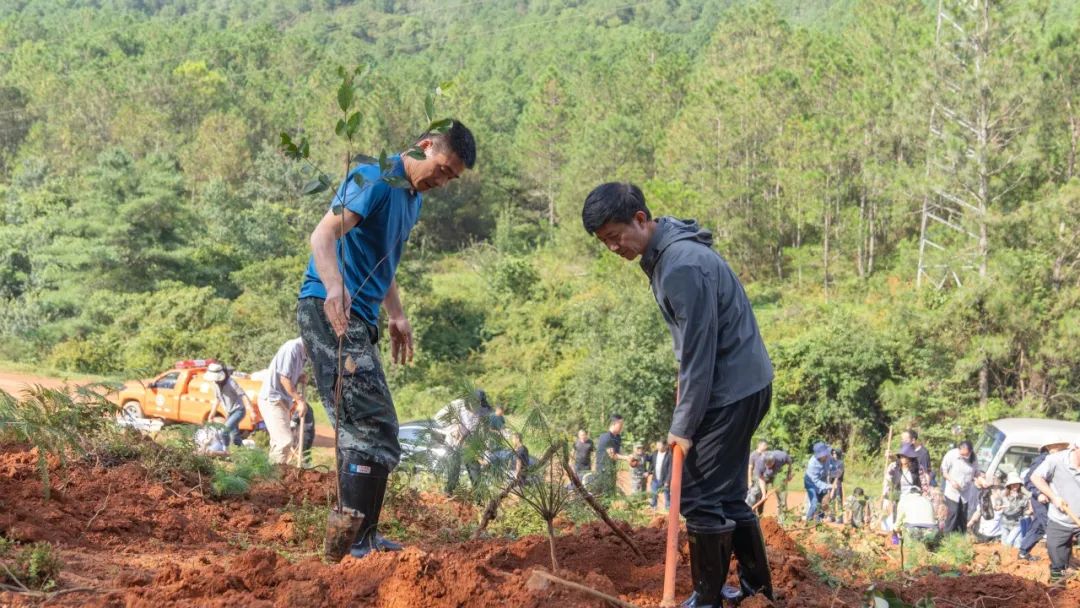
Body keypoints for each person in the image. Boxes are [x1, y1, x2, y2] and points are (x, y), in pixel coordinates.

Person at [582, 183, 775, 605]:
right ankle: (756, 590)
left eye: (616, 236)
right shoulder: (669, 254)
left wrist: (683, 426)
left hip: (731, 388)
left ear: (640, 219)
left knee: (697, 495)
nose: (614, 247)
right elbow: (692, 347)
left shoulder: (681, 265)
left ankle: (707, 598)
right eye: (605, 243)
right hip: (743, 383)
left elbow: (699, 353)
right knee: (723, 495)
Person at [296, 121, 477, 561]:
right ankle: (354, 543)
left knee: (369, 426)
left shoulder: (411, 200)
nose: (442, 181)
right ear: (425, 145)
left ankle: (362, 538)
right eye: (442, 168)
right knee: (372, 424)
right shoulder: (373, 177)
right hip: (331, 308)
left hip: (362, 316)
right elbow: (322, 235)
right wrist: (335, 285)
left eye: (451, 178)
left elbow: (383, 260)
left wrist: (396, 314)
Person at [1030, 439, 1080, 584]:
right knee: (1058, 564)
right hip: (1059, 521)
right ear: (1076, 448)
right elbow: (1035, 477)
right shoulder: (1056, 460)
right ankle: (1059, 589)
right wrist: (1054, 497)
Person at [257, 338, 308, 465]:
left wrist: (299, 376)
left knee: (278, 442)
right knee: (284, 441)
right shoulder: (292, 349)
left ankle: (270, 477)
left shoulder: (303, 353)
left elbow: (289, 375)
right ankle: (274, 479)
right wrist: (300, 401)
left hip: (282, 401)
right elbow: (284, 379)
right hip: (273, 400)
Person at [1019, 442, 1068, 561]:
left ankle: (1023, 552)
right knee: (1051, 526)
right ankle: (1060, 561)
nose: (1061, 449)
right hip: (1040, 499)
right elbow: (1029, 479)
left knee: (1038, 526)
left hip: (1050, 498)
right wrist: (1038, 493)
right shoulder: (1042, 460)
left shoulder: (1058, 459)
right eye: (1059, 447)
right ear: (1050, 447)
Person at [437, 397, 482, 495]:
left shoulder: (479, 414)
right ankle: (448, 493)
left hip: (468, 443)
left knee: (475, 471)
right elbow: (438, 418)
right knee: (453, 470)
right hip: (452, 442)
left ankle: (479, 497)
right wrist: (453, 427)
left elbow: (473, 430)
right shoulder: (457, 405)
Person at [204, 362, 252, 449]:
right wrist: (211, 415)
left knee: (224, 432)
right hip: (229, 412)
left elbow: (243, 394)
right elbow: (217, 399)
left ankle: (225, 450)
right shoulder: (215, 384)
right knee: (236, 437)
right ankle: (243, 454)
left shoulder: (231, 383)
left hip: (238, 411)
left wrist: (251, 410)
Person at [941, 440, 978, 534]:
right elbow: (944, 471)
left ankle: (961, 536)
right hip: (952, 491)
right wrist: (951, 481)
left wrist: (980, 477)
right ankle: (947, 535)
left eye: (966, 454)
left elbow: (975, 472)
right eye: (962, 454)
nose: (964, 456)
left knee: (962, 515)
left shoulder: (974, 458)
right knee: (953, 512)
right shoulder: (951, 455)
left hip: (965, 492)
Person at [747, 450, 792, 521]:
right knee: (755, 493)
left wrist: (789, 473)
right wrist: (764, 494)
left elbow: (789, 461)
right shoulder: (759, 463)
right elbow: (761, 479)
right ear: (764, 463)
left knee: (782, 496)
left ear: (774, 460)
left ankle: (782, 519)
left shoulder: (781, 456)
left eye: (771, 464)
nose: (769, 467)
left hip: (777, 475)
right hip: (764, 476)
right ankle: (750, 516)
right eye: (767, 465)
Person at [999, 472, 1031, 548]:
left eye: (1016, 483)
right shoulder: (1003, 495)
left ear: (1020, 484)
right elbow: (997, 505)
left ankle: (1016, 559)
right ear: (1009, 485)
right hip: (1005, 523)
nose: (1014, 485)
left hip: (1017, 524)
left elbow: (1027, 510)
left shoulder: (1024, 497)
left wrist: (1029, 512)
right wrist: (998, 507)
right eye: (1012, 483)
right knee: (1004, 545)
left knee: (1013, 544)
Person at [595, 414, 626, 493]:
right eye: (620, 424)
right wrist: (627, 458)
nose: (622, 427)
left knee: (610, 495)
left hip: (612, 471)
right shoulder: (606, 437)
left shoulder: (618, 437)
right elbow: (613, 456)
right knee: (603, 496)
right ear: (614, 424)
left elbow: (618, 453)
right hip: (603, 472)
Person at [805, 442, 833, 522]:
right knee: (814, 503)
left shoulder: (828, 457)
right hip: (811, 482)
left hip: (822, 480)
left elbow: (830, 468)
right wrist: (828, 486)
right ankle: (808, 522)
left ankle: (819, 523)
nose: (825, 456)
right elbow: (815, 481)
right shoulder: (812, 464)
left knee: (823, 503)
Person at [651, 440, 671, 510]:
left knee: (667, 496)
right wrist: (648, 471)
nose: (658, 447)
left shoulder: (669, 455)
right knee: (653, 495)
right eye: (657, 445)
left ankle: (668, 510)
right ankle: (653, 508)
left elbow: (670, 469)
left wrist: (667, 481)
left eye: (659, 445)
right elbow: (652, 463)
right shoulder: (655, 453)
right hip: (655, 479)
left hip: (665, 480)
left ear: (665, 446)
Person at [828, 448, 846, 523]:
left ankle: (840, 518)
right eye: (833, 453)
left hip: (837, 483)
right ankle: (832, 516)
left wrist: (834, 485)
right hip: (831, 482)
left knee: (838, 499)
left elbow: (838, 475)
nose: (834, 455)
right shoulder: (831, 462)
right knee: (831, 499)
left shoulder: (840, 463)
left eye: (835, 453)